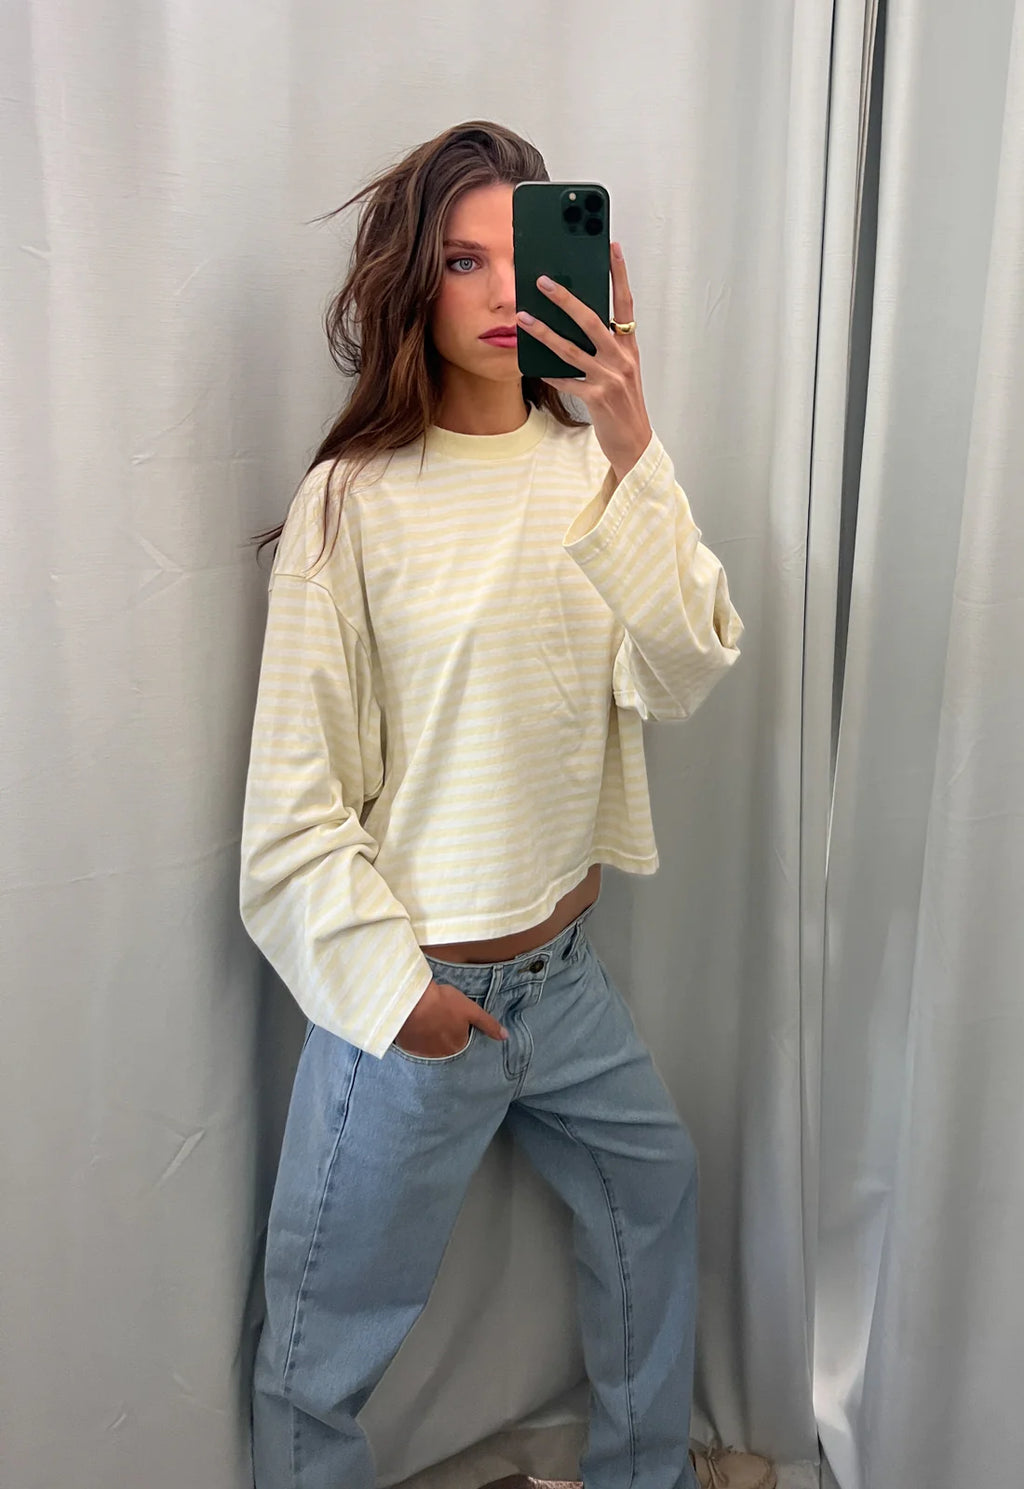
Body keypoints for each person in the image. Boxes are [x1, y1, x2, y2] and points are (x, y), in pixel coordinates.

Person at [239, 120, 774, 1489]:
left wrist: (632, 438)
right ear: (411, 283)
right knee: (319, 1347)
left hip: (566, 982)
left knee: (654, 1194)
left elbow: (686, 666)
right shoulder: (353, 503)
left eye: (515, 258)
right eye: (459, 260)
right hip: (418, 1005)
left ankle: (647, 1475)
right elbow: (291, 814)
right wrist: (400, 1001)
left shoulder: (589, 471)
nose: (493, 292)